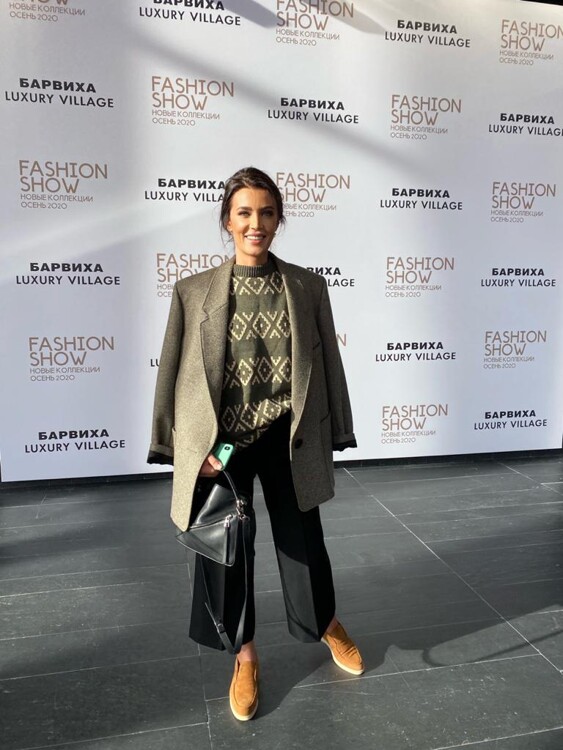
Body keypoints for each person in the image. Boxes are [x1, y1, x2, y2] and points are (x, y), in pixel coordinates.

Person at [148, 166, 363, 721]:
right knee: (227, 548)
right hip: (223, 445)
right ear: (228, 220)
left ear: (279, 219)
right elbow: (173, 374)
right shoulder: (193, 291)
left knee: (303, 538)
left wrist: (339, 428)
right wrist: (180, 448)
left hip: (288, 436)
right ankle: (243, 656)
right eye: (244, 212)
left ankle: (325, 621)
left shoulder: (307, 287)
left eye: (266, 213)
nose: (256, 223)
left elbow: (329, 366)